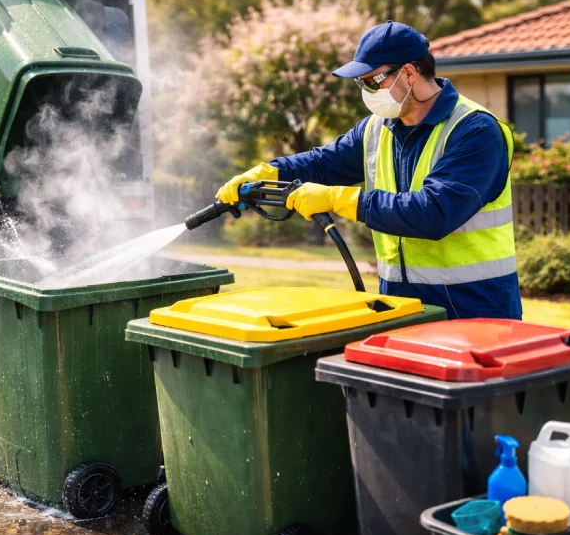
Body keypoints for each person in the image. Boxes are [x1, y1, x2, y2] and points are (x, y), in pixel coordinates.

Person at [216, 21, 521, 320]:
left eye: (371, 81)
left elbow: (435, 213)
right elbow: (322, 164)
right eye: (360, 82)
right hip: (403, 310)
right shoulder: (376, 128)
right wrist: (268, 172)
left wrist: (338, 200)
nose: (365, 90)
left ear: (410, 74)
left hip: (476, 314)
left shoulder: (475, 130)